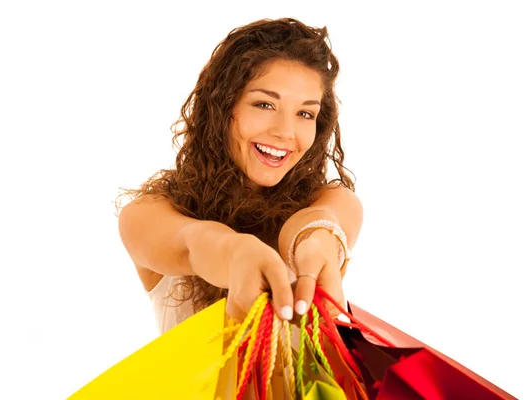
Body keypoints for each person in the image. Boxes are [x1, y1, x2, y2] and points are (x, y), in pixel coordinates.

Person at [116, 17, 363, 335]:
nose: (286, 132)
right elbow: (193, 243)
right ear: (223, 107)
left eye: (305, 113)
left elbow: (322, 221)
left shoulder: (333, 200)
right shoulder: (147, 214)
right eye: (264, 104)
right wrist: (235, 253)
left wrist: (317, 241)